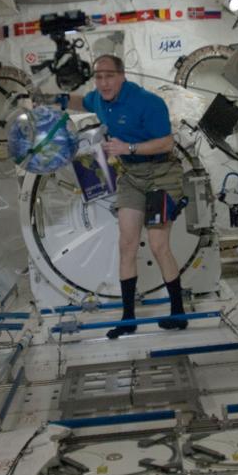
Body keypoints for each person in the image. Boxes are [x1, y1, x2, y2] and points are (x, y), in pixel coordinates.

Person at [80, 54, 188, 339]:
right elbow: (80, 101)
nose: (103, 82)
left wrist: (127, 148)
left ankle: (178, 313)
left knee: (157, 244)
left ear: (122, 75)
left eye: (109, 76)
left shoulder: (147, 102)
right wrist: (44, 100)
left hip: (162, 175)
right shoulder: (99, 99)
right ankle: (129, 319)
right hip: (132, 178)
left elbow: (166, 142)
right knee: (126, 244)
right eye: (98, 77)